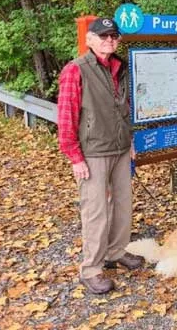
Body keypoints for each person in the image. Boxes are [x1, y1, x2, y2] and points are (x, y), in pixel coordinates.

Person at [57, 17, 143, 294]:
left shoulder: (119, 67)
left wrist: (129, 140)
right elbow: (67, 116)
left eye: (114, 36)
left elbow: (123, 108)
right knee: (95, 211)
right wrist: (74, 156)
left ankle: (115, 252)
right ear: (90, 40)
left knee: (123, 204)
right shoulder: (76, 70)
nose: (109, 40)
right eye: (103, 36)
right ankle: (91, 269)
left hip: (119, 148)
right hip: (92, 151)